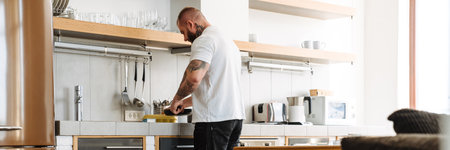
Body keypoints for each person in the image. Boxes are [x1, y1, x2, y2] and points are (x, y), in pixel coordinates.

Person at [168, 7, 245, 150]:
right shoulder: (228, 42)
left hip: (214, 121)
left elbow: (194, 78)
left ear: (191, 24)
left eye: (183, 32)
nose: (185, 38)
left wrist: (176, 99)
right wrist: (185, 102)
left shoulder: (204, 40)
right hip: (235, 119)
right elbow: (217, 87)